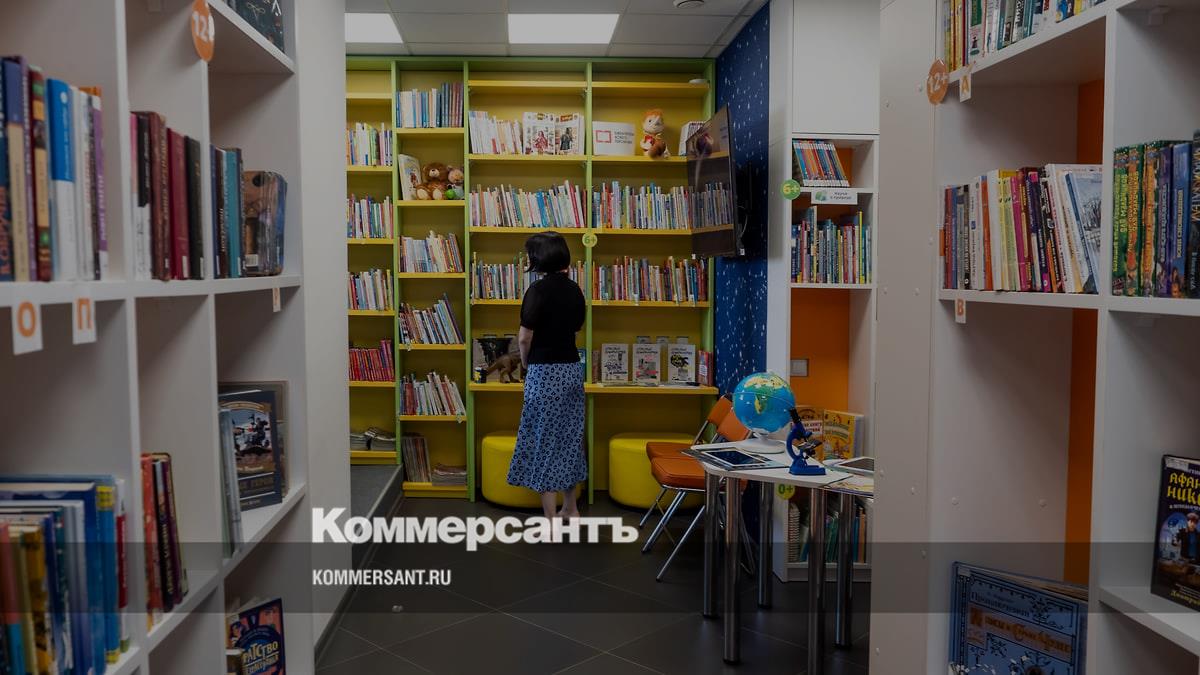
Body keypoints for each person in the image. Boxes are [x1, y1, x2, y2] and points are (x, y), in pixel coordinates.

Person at [506, 232, 587, 520]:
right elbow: (576, 327)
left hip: (545, 373)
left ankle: (551, 520)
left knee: (544, 440)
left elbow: (524, 338)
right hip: (572, 370)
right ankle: (571, 508)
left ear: (539, 258)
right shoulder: (575, 290)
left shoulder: (537, 291)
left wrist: (526, 363)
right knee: (570, 438)